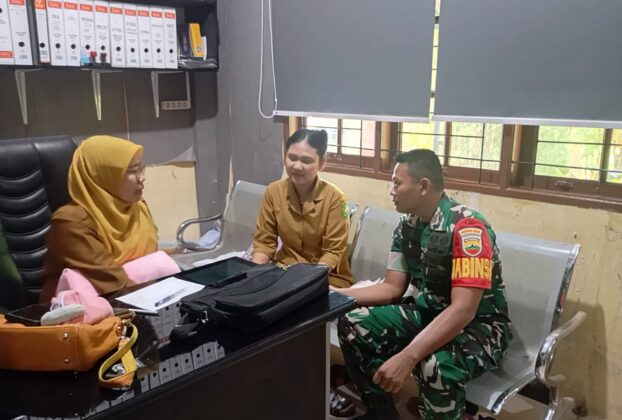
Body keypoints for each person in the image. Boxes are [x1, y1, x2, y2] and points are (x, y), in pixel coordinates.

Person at [333, 149, 512, 420]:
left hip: (480, 327)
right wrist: (336, 296)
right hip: (428, 313)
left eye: (397, 183)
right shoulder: (407, 227)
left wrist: (408, 356)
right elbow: (392, 288)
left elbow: (464, 310)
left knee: (434, 365)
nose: (391, 191)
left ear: (423, 186)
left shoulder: (468, 228)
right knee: (352, 323)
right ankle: (380, 413)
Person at [40, 135, 158, 303]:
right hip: (85, 311)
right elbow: (116, 285)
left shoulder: (137, 207)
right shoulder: (72, 223)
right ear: (102, 175)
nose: (141, 177)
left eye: (141, 168)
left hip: (137, 298)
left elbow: (149, 257)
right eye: (132, 171)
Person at [252, 128, 354, 288]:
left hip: (326, 277)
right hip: (284, 271)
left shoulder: (335, 198)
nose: (297, 166)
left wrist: (303, 284)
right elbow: (264, 243)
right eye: (292, 158)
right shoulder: (273, 191)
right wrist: (252, 276)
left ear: (322, 163)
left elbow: (333, 252)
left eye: (306, 161)